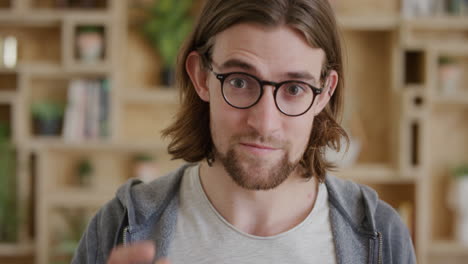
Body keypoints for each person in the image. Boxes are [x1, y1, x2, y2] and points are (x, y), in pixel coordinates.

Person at [73, 0, 416, 263]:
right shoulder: (118, 226)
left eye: (294, 88)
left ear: (324, 93)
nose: (264, 123)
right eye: (239, 82)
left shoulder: (381, 236)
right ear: (201, 76)